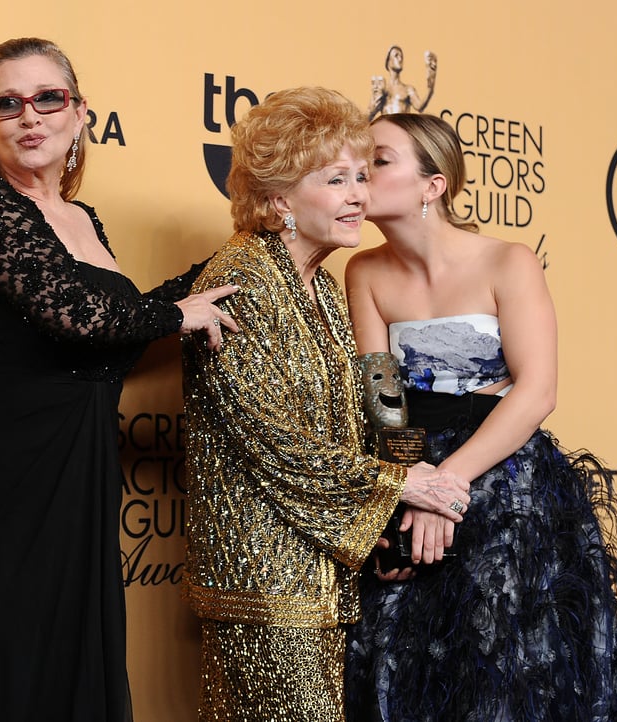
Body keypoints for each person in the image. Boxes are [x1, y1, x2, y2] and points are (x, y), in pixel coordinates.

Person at [0, 37, 238, 722]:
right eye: (7, 104)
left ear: (80, 113)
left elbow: (120, 332)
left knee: (67, 678)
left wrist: (237, 267)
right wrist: (177, 309)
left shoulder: (83, 221)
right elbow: (81, 318)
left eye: (47, 99)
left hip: (72, 469)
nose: (29, 117)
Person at [343, 112, 617, 721]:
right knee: (404, 665)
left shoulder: (508, 262)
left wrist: (448, 485)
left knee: (509, 671)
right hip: (412, 478)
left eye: (379, 160)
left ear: (432, 186)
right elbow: (383, 403)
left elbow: (537, 392)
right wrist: (417, 489)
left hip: (505, 481)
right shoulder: (364, 272)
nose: (360, 174)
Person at [181, 88, 472, 722]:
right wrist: (400, 484)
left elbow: (383, 397)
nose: (358, 196)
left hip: (328, 576)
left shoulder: (327, 284)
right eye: (336, 180)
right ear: (279, 198)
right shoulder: (241, 281)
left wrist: (400, 502)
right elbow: (268, 440)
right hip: (263, 582)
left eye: (362, 177)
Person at [368, 46, 438, 121]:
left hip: (403, 129)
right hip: (386, 129)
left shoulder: (408, 89)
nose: (400, 59)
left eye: (401, 57)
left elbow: (420, 107)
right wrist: (372, 111)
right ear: (388, 61)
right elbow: (369, 115)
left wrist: (430, 88)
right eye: (396, 56)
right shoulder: (383, 88)